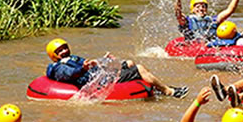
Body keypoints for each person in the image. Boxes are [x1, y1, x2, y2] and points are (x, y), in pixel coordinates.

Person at [45, 38, 188, 98]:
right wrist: (83, 69)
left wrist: (106, 61)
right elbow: (70, 74)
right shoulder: (58, 67)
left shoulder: (73, 58)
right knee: (139, 68)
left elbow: (91, 66)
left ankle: (158, 88)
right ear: (54, 55)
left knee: (130, 63)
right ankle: (169, 91)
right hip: (97, 83)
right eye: (60, 51)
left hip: (99, 75)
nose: (64, 51)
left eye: (65, 48)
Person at [173, 0, 243, 42]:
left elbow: (230, 10)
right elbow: (178, 13)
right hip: (194, 46)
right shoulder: (187, 21)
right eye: (197, 7)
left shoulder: (213, 20)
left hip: (211, 45)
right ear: (193, 10)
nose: (201, 9)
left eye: (203, 6)